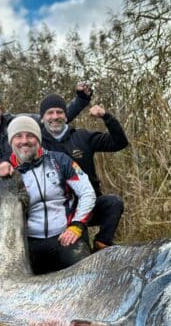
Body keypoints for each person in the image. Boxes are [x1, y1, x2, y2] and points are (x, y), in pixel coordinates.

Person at [37, 93, 129, 251]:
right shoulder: (36, 143)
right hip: (58, 210)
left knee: (113, 203)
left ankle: (102, 244)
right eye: (50, 113)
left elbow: (119, 143)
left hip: (87, 203)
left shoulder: (82, 137)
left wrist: (106, 116)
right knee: (79, 249)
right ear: (42, 118)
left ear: (66, 116)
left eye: (59, 112)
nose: (55, 116)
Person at [7, 115, 96, 274]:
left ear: (38, 139)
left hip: (63, 237)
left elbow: (87, 192)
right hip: (28, 244)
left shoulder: (60, 160)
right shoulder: (6, 173)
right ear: (11, 142)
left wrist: (77, 225)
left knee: (86, 272)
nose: (24, 141)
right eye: (18, 136)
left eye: (30, 135)